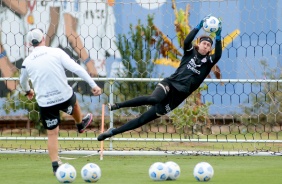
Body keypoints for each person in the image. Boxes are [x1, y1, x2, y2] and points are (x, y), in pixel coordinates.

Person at [97, 15, 222, 141]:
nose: (205, 46)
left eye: (208, 45)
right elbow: (186, 41)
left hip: (177, 97)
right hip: (170, 84)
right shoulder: (190, 52)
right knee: (153, 99)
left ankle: (112, 132)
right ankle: (118, 105)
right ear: (198, 44)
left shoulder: (208, 61)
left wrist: (218, 35)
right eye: (204, 43)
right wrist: (199, 26)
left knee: (143, 119)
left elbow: (218, 55)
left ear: (210, 49)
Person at [19, 28, 102, 174]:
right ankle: (80, 124)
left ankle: (55, 166)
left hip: (45, 102)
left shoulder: (26, 62)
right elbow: (77, 68)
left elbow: (22, 82)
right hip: (63, 97)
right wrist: (93, 85)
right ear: (43, 38)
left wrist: (28, 91)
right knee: (74, 102)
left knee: (52, 134)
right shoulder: (56, 52)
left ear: (30, 44)